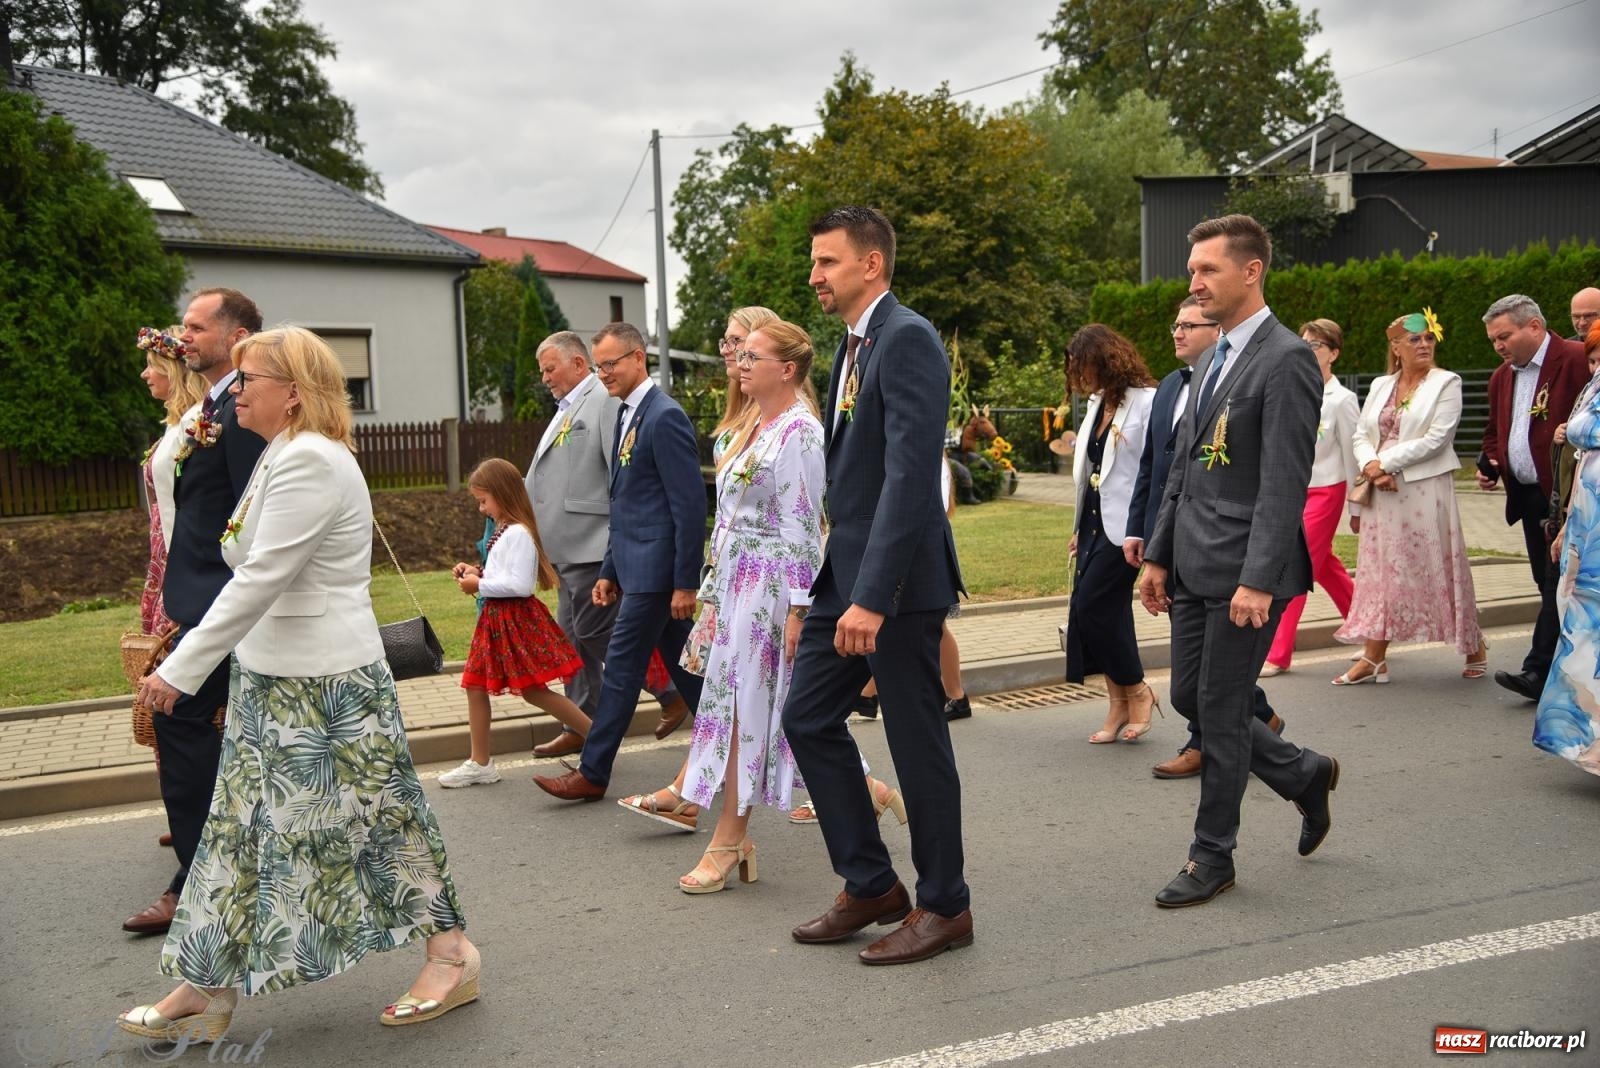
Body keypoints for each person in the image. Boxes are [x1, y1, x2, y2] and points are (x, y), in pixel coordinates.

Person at [122, 327, 475, 1037]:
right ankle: (204, 986)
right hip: (269, 679)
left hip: (331, 688)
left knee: (383, 823)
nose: (236, 390)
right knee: (235, 835)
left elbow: (260, 575)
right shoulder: (280, 453)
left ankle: (453, 954)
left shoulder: (312, 460)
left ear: (293, 392)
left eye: (248, 378)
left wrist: (181, 671)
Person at [781, 206, 972, 965]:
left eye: (827, 261)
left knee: (915, 739)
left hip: (895, 585)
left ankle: (945, 905)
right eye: (815, 262)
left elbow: (908, 478)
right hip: (848, 575)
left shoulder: (909, 339)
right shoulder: (852, 347)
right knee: (807, 718)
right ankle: (871, 884)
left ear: (871, 265)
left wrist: (872, 595)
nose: (814, 275)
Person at [1138, 213, 1341, 909]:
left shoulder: (1285, 358)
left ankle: (1211, 856)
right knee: (1194, 697)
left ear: (1250, 272)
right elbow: (1182, 467)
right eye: (1193, 270)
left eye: (1207, 270)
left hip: (1246, 572)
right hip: (1193, 559)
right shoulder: (1213, 354)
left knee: (1220, 711)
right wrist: (1159, 555)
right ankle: (1301, 770)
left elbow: (1286, 480)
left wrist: (1258, 579)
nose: (1193, 282)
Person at [123, 289, 268, 937]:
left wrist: (227, 610)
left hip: (227, 604)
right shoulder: (208, 407)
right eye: (180, 324)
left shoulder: (244, 409)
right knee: (236, 732)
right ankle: (221, 863)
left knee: (180, 716)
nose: (182, 336)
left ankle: (199, 876)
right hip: (199, 601)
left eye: (194, 326)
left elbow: (251, 515)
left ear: (234, 335)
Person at [675, 321, 828, 890]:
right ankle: (737, 837)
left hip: (770, 589)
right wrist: (714, 591)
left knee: (749, 712)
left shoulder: (800, 432)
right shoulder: (753, 426)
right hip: (737, 583)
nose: (740, 362)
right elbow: (730, 520)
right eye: (739, 354)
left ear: (786, 369)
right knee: (736, 708)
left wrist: (797, 607)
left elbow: (803, 524)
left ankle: (728, 839)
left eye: (753, 355)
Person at [533, 323, 706, 801]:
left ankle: (594, 771)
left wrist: (685, 581)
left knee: (624, 669)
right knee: (690, 673)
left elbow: (689, 505)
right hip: (633, 567)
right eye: (600, 364)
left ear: (638, 359)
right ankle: (731, 742)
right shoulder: (627, 413)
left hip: (657, 575)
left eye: (611, 363)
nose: (604, 373)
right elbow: (623, 503)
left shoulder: (664, 415)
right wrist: (609, 570)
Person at [1332, 313, 1487, 683]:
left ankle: (1473, 643)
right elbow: (1360, 434)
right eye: (1414, 340)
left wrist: (1383, 463)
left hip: (1423, 489)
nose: (1424, 345)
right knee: (1381, 572)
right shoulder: (1382, 384)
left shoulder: (1446, 382)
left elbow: (1438, 438)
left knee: (1435, 567)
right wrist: (1371, 464)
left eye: (1428, 339)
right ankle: (1374, 656)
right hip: (1382, 494)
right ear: (1396, 347)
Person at [438, 459, 593, 787]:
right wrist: (476, 573)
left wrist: (479, 585)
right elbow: (503, 576)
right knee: (476, 684)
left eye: (484, 501)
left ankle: (597, 739)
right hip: (496, 621)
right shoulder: (504, 530)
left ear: (503, 494)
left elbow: (521, 586)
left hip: (514, 622)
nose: (481, 509)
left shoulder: (519, 533)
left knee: (534, 691)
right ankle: (480, 762)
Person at [1478, 295, 1589, 701]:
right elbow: (1495, 431)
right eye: (1493, 340)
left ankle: (1538, 671)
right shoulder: (1501, 377)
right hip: (1527, 497)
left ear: (1536, 327)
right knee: (1548, 584)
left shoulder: (1577, 360)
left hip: (1570, 496)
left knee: (1555, 582)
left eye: (1504, 336)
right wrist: (1491, 460)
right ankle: (1562, 668)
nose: (1499, 346)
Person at [1064, 324, 1158, 743]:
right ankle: (1117, 702)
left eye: (1084, 367)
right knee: (1108, 611)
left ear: (1106, 361)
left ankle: (1138, 690)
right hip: (1094, 522)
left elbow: (1153, 469)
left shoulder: (1147, 403)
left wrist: (1149, 527)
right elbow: (1090, 471)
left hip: (1128, 526)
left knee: (1093, 608)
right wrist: (1079, 527)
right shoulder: (1097, 405)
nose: (1080, 377)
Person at [1263, 319, 1359, 676]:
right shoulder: (1296, 388)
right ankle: (1369, 625)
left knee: (1295, 568)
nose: (1308, 349)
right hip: (1295, 489)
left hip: (1327, 490)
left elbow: (1353, 454)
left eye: (1317, 345)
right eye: (1304, 342)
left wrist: (1356, 506)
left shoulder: (1343, 400)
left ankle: (1277, 652)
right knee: (1326, 567)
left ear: (1333, 353)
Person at [1534, 321, 1600, 776]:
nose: (1595, 365)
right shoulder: (1594, 389)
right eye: (1593, 357)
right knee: (1578, 625)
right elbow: (1583, 463)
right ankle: (1582, 736)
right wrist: (1564, 526)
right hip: (1586, 526)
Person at [135, 327, 209, 640]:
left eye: (152, 365)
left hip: (184, 550)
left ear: (174, 370)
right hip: (166, 546)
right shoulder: (176, 423)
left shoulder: (196, 420)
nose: (144, 374)